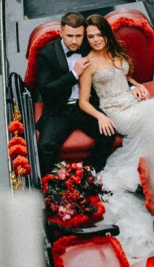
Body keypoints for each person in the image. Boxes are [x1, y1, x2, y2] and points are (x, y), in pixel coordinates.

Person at [77, 14, 154, 267]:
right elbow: (83, 101)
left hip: (132, 102)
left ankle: (153, 174)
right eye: (91, 37)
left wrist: (137, 85)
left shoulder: (115, 51)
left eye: (99, 35)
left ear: (106, 34)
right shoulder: (88, 63)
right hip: (117, 114)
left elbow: (122, 76)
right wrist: (101, 117)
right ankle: (151, 176)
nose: (96, 40)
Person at [34, 12, 117, 176]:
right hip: (59, 110)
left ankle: (88, 173)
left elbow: (112, 67)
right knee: (45, 146)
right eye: (69, 36)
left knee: (108, 133)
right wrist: (74, 74)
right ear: (61, 33)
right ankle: (54, 183)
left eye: (78, 36)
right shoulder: (46, 54)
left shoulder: (90, 47)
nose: (74, 41)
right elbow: (45, 90)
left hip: (85, 106)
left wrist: (133, 87)